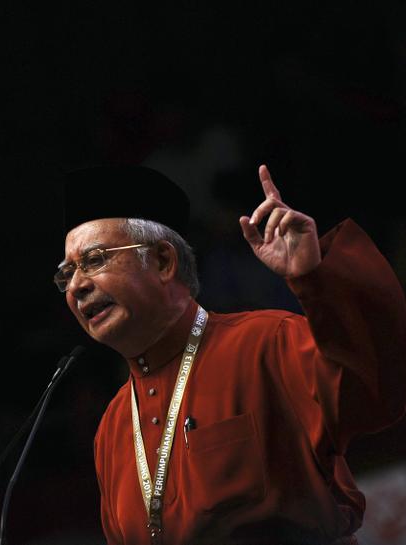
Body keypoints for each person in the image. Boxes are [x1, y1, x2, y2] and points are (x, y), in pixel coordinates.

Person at [56, 164, 406, 544]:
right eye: (66, 273)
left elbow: (378, 389)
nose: (75, 286)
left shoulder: (265, 342)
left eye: (93, 261)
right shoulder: (112, 426)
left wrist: (316, 278)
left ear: (162, 261)